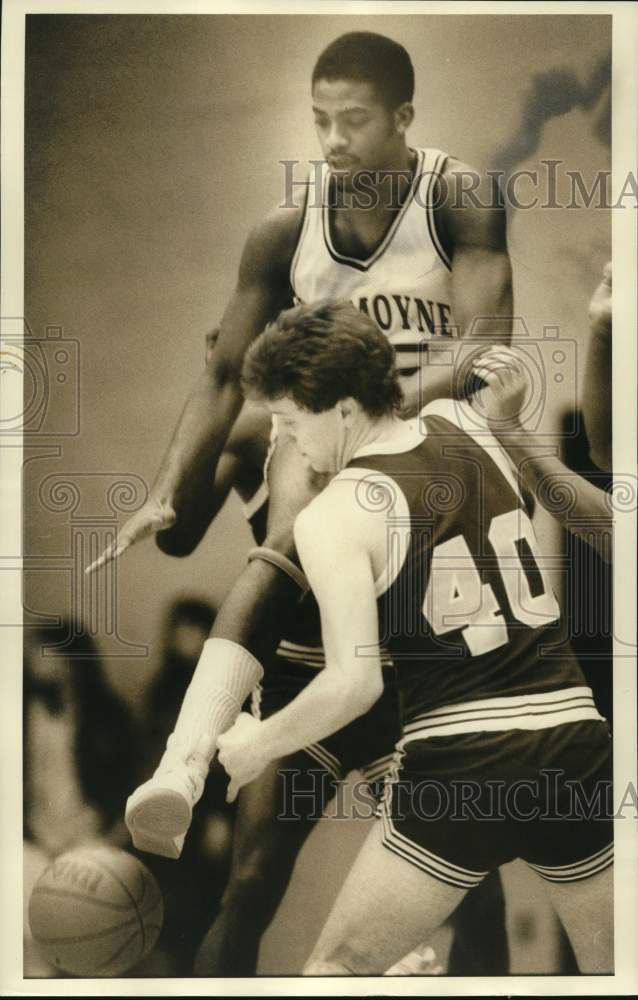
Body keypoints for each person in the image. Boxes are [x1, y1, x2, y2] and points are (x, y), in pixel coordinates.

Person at [89, 30, 512, 973]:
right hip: (328, 494)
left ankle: (200, 749)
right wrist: (165, 491)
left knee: (467, 880)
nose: (332, 140)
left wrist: (376, 400)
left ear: (405, 118)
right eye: (319, 121)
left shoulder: (459, 198)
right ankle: (186, 759)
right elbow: (223, 369)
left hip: (423, 475)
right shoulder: (284, 230)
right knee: (251, 881)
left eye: (353, 120)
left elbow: (488, 348)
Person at [217, 300, 613, 975]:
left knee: (334, 973)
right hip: (574, 744)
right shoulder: (469, 420)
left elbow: (354, 683)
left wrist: (258, 742)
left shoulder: (332, 512)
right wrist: (512, 432)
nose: (285, 441)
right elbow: (610, 531)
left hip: (462, 762)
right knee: (618, 972)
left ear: (340, 409)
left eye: (288, 421)